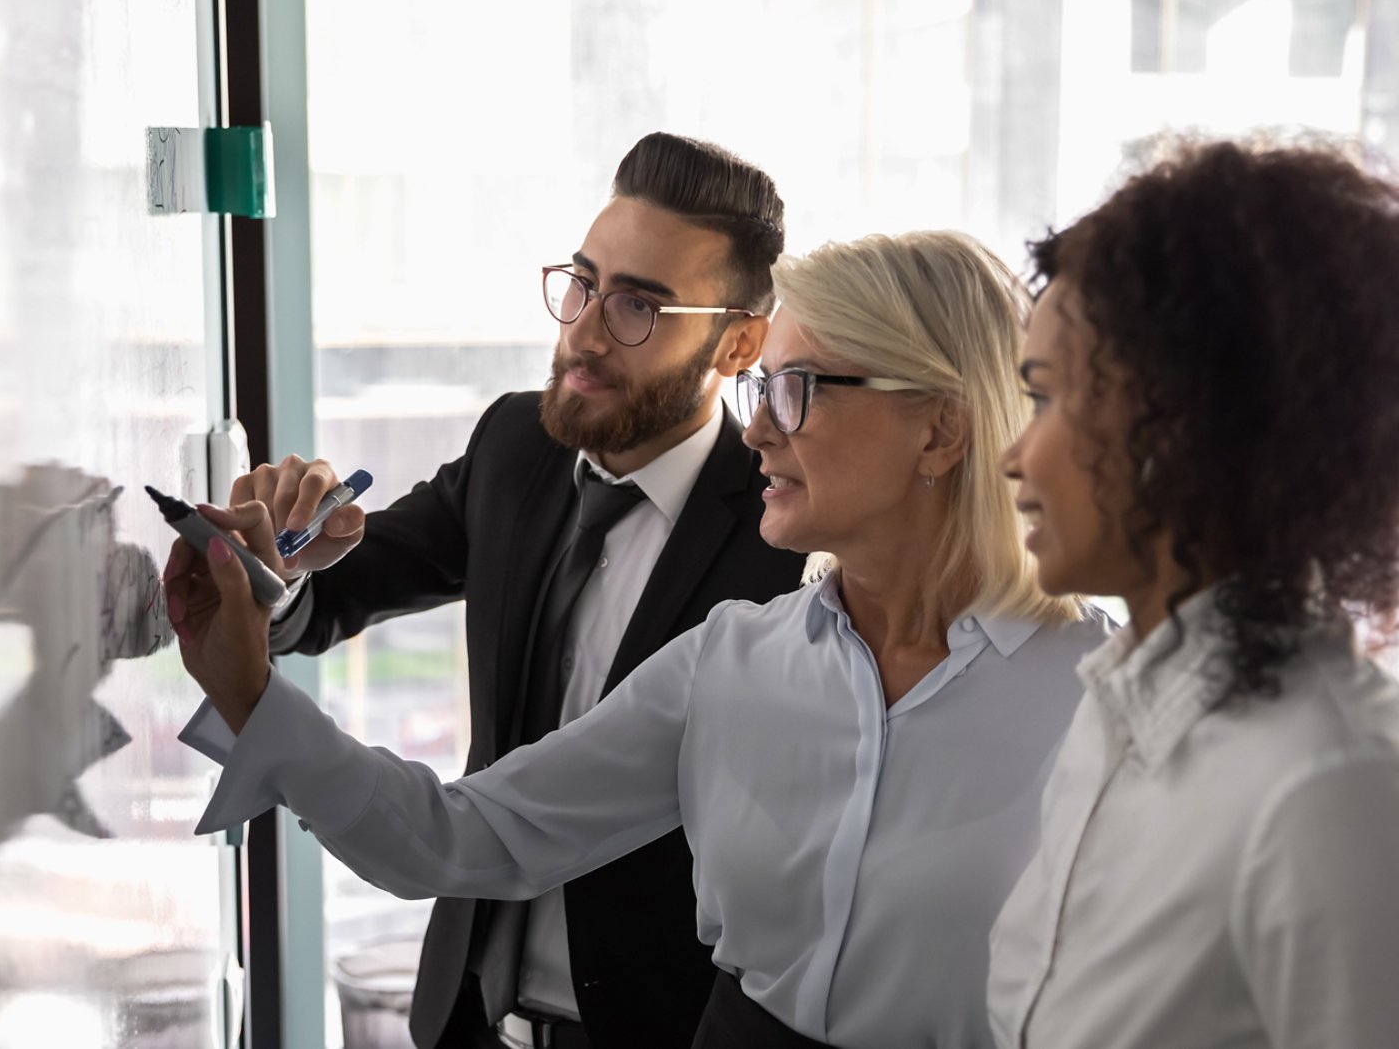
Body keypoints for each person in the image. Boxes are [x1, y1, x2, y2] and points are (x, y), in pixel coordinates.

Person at [165, 229, 1111, 1047]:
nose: (757, 435)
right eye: (761, 392)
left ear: (941, 430)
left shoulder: (1104, 699)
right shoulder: (730, 662)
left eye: (795, 391)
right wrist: (252, 698)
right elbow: (461, 837)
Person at [225, 132, 807, 1049]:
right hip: (466, 1011)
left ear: (737, 343)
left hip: (664, 1028)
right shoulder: (516, 449)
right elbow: (341, 586)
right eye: (581, 283)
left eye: (637, 307)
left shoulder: (786, 544)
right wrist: (283, 565)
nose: (581, 328)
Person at [991, 138, 1399, 1048]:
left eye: (1047, 396)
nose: (1015, 456)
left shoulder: (1329, 786)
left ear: (1181, 421)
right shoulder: (1112, 709)